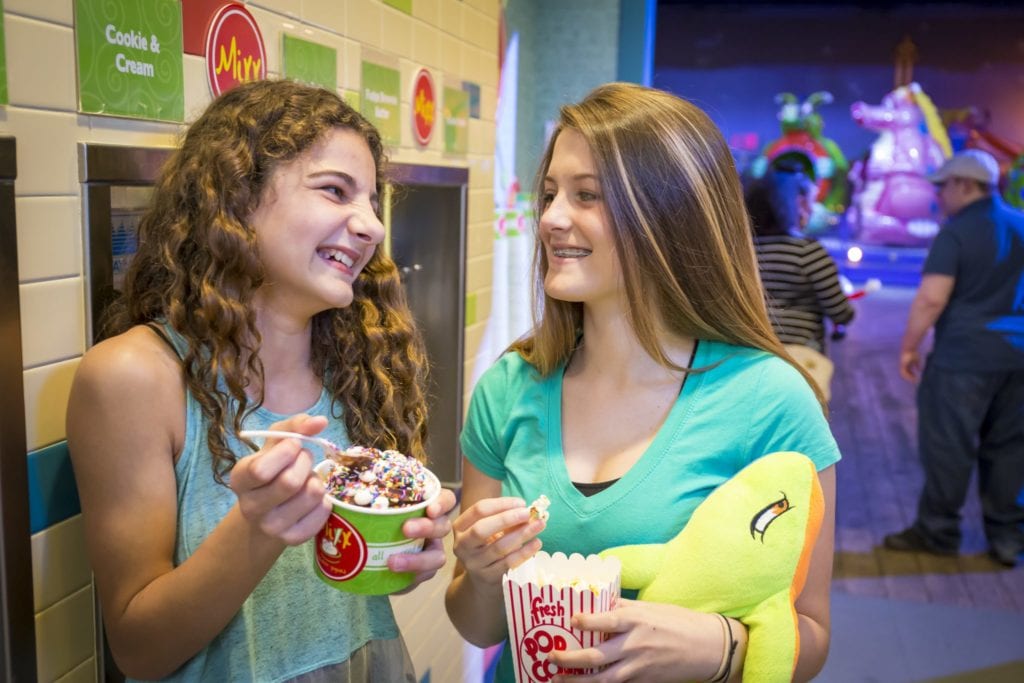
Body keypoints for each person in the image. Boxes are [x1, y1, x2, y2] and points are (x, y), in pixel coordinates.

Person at [444, 83, 839, 682]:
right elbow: (479, 627)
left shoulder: (771, 400)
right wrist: (480, 573)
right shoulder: (510, 386)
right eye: (550, 193)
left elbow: (809, 633)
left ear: (670, 217)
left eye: (587, 196)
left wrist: (717, 647)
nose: (550, 218)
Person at [66, 79, 455, 681]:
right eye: (335, 191)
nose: (373, 227)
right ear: (237, 199)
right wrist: (258, 527)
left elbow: (359, 596)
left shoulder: (360, 366)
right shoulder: (134, 377)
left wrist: (405, 555)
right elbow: (139, 649)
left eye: (373, 203)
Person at [884, 149, 1024, 568]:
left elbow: (931, 299)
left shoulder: (956, 232)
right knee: (1011, 448)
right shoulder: (1020, 222)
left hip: (964, 357)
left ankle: (938, 531)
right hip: (1018, 360)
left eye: (942, 186)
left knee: (949, 447)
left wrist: (909, 346)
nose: (938, 195)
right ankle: (1008, 538)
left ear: (965, 184)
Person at [744, 167, 855, 401]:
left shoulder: (742, 252)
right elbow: (840, 311)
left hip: (749, 356)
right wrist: (844, 311)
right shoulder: (808, 253)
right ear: (790, 205)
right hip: (800, 359)